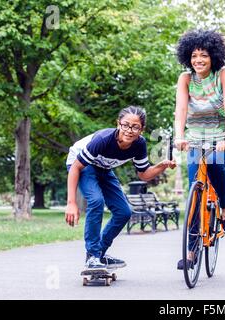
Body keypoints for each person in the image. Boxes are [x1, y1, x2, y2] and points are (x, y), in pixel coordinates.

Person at [64, 106, 176, 272]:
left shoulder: (139, 144)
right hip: (81, 165)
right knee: (96, 201)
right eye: (125, 125)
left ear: (141, 129)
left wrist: (161, 166)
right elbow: (75, 167)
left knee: (124, 212)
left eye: (135, 127)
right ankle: (93, 255)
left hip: (104, 168)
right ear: (118, 123)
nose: (129, 130)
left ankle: (98, 254)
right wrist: (71, 202)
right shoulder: (103, 139)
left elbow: (144, 175)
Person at [174, 29, 225, 269]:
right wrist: (179, 137)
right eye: (194, 55)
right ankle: (191, 252)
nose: (198, 60)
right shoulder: (185, 79)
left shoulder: (223, 75)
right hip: (196, 140)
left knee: (214, 161)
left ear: (213, 56)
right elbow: (181, 111)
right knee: (195, 193)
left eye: (203, 55)